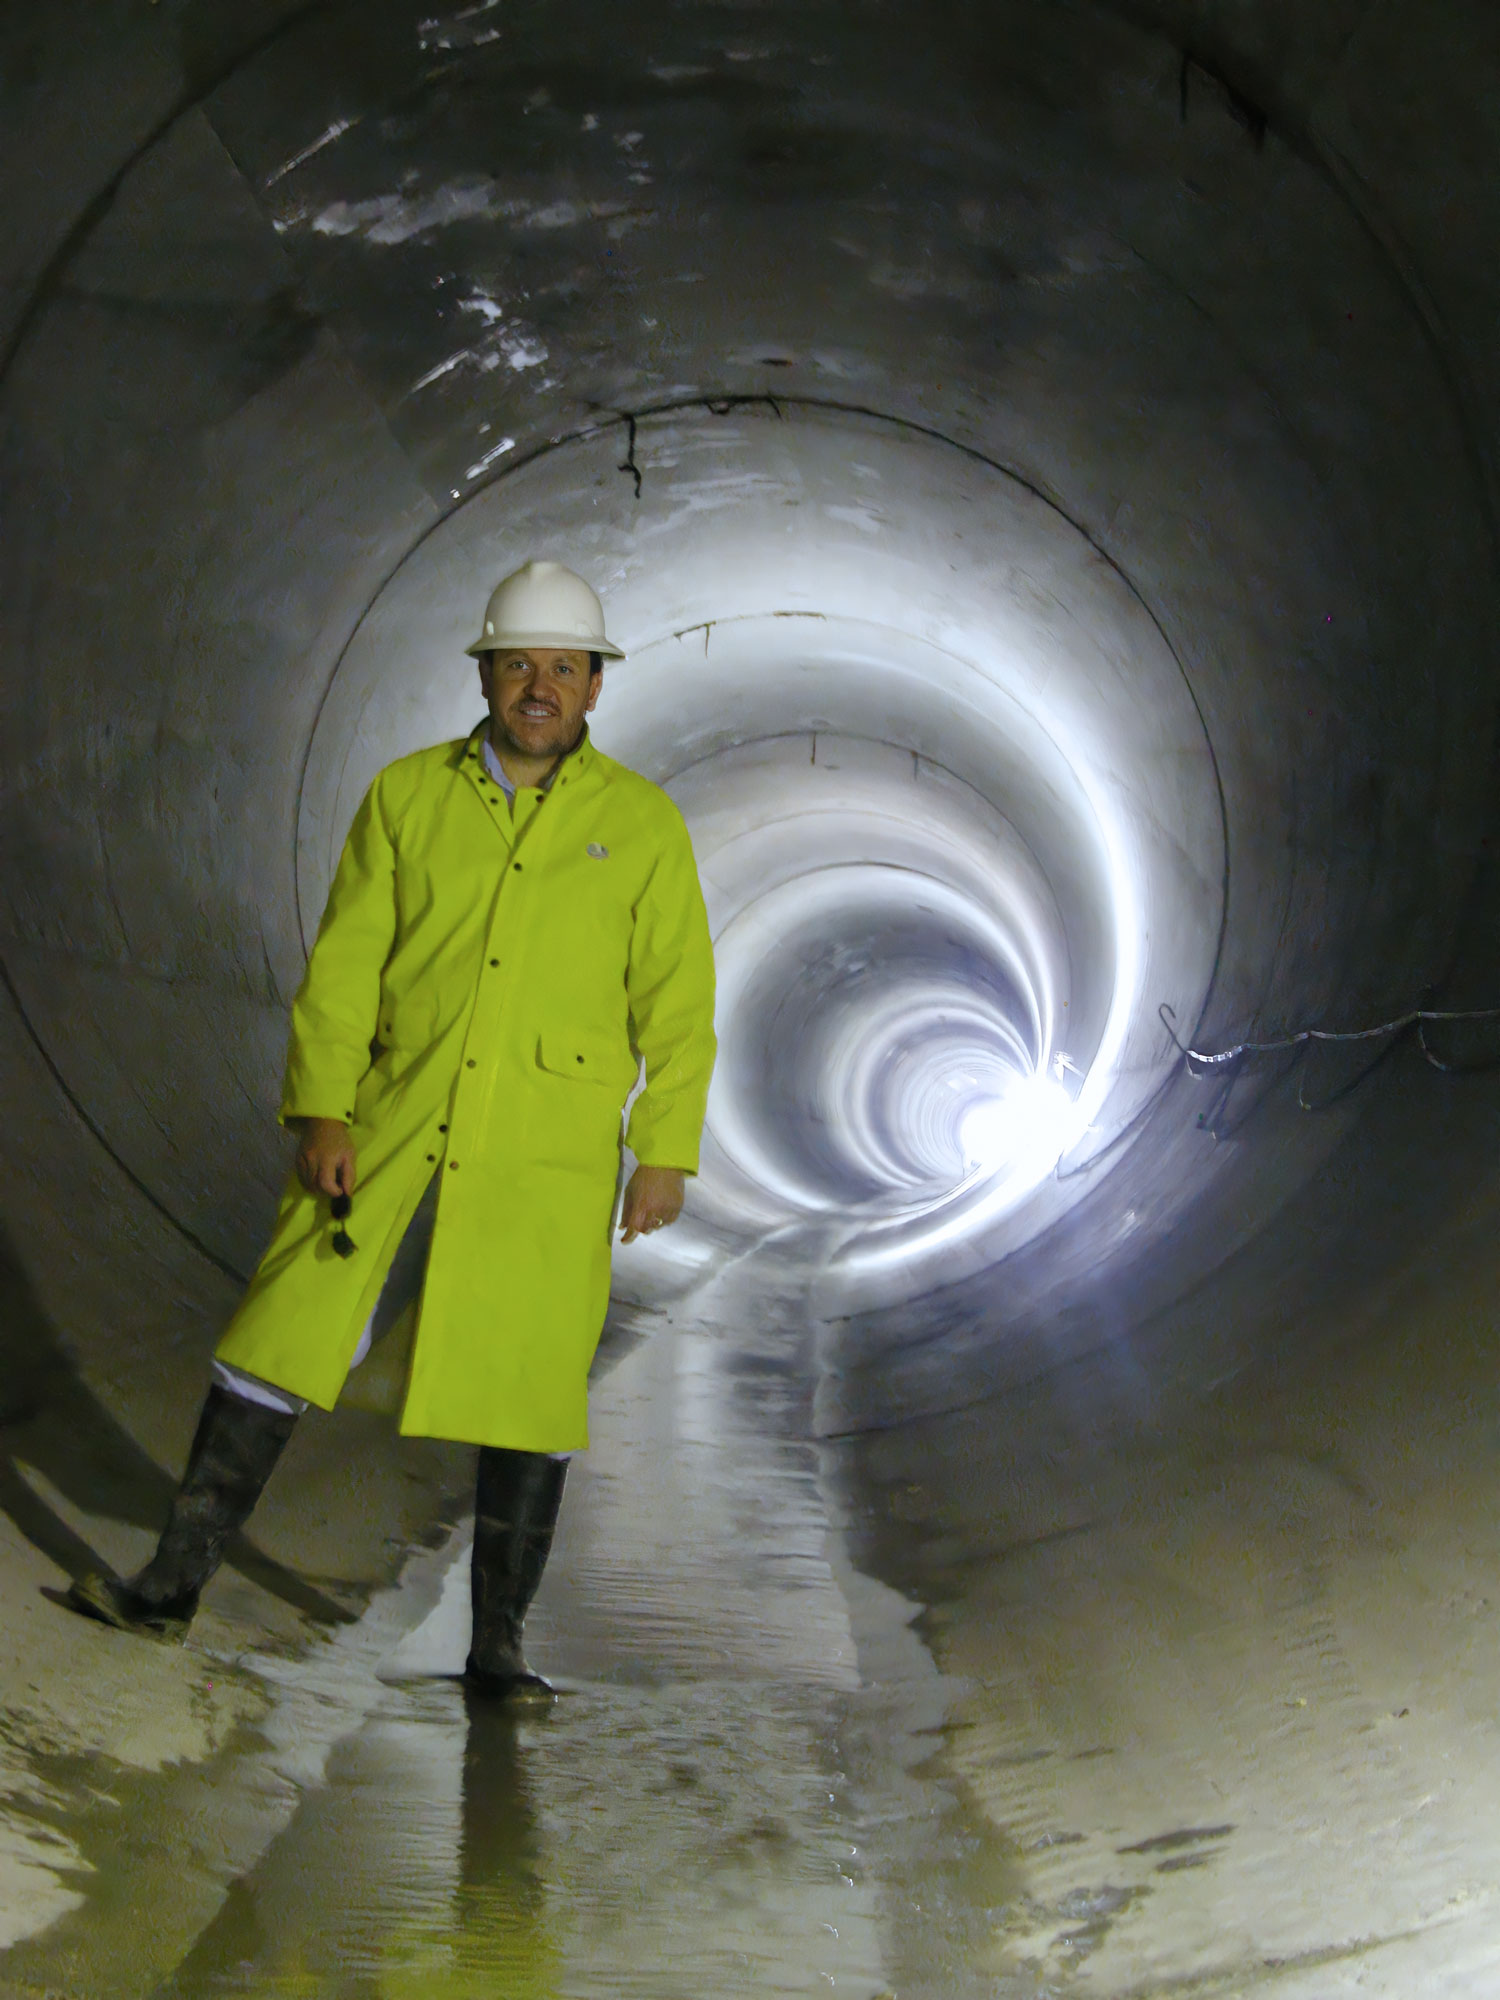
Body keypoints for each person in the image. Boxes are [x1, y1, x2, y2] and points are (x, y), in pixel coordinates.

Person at [67, 560, 718, 1695]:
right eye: (520, 662)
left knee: (530, 1384)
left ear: (596, 688)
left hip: (549, 1150)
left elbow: (679, 999)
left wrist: (665, 1145)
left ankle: (497, 1649)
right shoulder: (406, 796)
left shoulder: (643, 827)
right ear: (483, 669)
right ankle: (169, 1585)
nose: (540, 685)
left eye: (564, 667)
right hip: (393, 1119)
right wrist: (321, 1102)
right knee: (280, 1334)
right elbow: (346, 965)